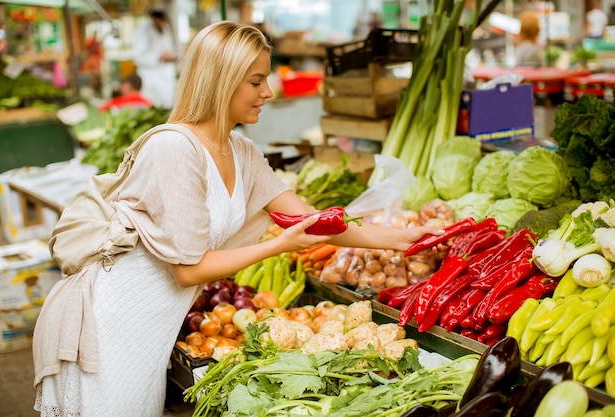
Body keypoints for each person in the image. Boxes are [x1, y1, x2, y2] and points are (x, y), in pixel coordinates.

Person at [32, 21, 445, 417]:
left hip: (153, 329)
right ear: (219, 80)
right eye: (255, 81)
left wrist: (406, 239)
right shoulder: (175, 150)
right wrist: (278, 245)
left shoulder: (241, 152)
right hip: (113, 323)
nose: (268, 91)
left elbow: (315, 221)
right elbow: (187, 270)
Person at [131, 4, 178, 109]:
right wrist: (159, 57)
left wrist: (171, 56)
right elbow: (137, 57)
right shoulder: (143, 31)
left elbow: (168, 47)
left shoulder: (165, 29)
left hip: (166, 76)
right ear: (154, 18)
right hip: (151, 78)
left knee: (169, 106)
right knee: (154, 108)